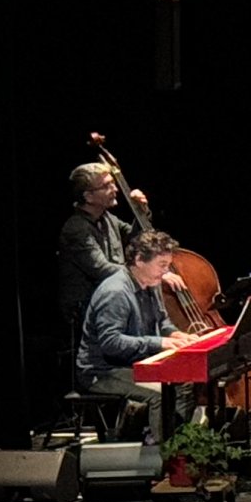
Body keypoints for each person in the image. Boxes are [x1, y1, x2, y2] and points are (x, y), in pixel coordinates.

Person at [75, 233, 188, 436]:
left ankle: (180, 442)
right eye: (162, 265)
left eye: (168, 265)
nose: (166, 271)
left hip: (135, 363)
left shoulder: (151, 283)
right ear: (139, 260)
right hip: (102, 371)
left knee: (186, 381)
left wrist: (176, 334)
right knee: (161, 394)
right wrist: (158, 342)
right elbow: (111, 343)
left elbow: (162, 321)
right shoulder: (116, 292)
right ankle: (162, 451)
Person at [58, 158, 153, 354]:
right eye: (107, 186)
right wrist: (148, 273)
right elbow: (102, 269)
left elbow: (136, 238)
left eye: (113, 183)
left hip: (111, 300)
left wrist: (140, 212)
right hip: (88, 310)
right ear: (89, 196)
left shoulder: (108, 218)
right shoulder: (76, 229)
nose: (115, 189)